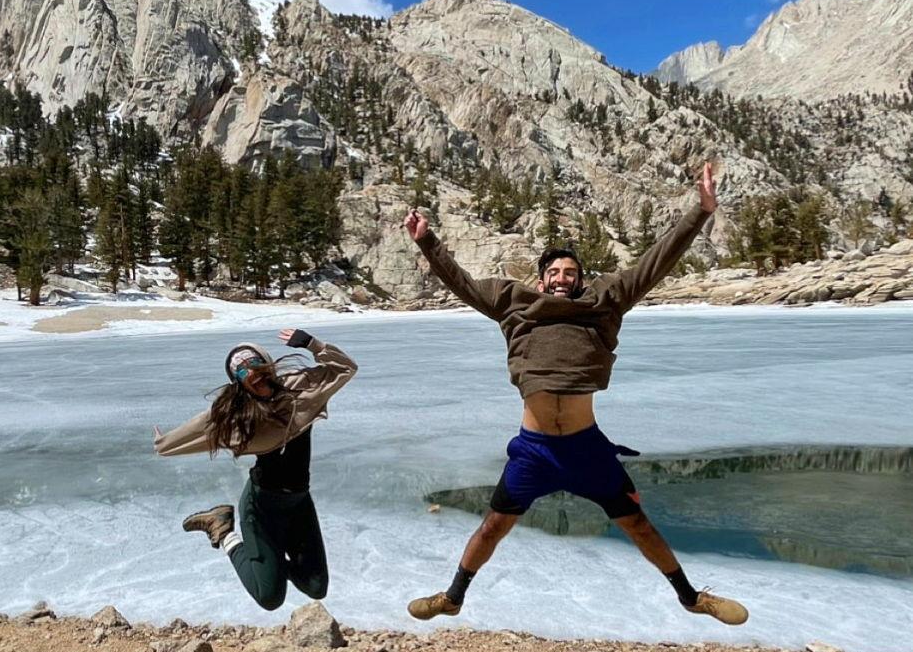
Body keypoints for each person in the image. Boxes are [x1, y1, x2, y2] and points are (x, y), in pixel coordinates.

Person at [403, 162, 748, 626]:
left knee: (637, 525)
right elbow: (462, 283)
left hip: (586, 448)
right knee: (492, 526)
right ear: (541, 279)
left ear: (580, 279)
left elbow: (655, 261)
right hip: (535, 449)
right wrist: (427, 240)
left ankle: (691, 597)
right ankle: (452, 596)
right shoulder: (513, 303)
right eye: (555, 272)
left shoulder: (604, 302)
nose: (563, 277)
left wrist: (701, 211)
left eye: (571, 271)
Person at [153, 327, 357, 611]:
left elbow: (345, 368)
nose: (251, 373)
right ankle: (222, 530)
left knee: (316, 587)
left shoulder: (302, 389)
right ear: (239, 382)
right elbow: (200, 428)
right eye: (242, 371)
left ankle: (267, 562)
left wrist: (313, 344)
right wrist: (165, 442)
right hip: (262, 506)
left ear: (267, 364)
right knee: (270, 597)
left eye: (254, 365)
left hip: (299, 502)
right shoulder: (239, 415)